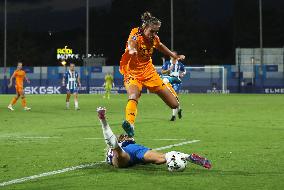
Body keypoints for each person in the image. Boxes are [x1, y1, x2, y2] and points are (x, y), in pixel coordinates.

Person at [119, 11, 185, 136]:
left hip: (149, 73)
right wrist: (132, 50)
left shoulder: (154, 38)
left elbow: (159, 45)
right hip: (132, 73)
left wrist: (173, 55)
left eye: (156, 32)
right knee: (133, 95)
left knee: (174, 105)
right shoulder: (136, 33)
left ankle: (166, 80)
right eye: (152, 31)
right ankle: (130, 125)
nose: (154, 34)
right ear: (145, 27)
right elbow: (131, 43)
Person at [96, 107, 212, 170]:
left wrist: (124, 138)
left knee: (117, 151)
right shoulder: (128, 142)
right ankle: (187, 157)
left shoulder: (117, 145)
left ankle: (103, 121)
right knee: (161, 158)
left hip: (128, 153)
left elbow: (116, 142)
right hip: (136, 151)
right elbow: (119, 140)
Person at [161, 51, 186, 121]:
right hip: (169, 81)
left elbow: (184, 71)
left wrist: (182, 74)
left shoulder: (179, 64)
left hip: (176, 82)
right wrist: (168, 70)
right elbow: (162, 71)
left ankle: (173, 116)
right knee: (172, 98)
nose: (172, 56)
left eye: (174, 55)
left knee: (174, 97)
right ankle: (179, 109)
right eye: (171, 55)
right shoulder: (167, 63)